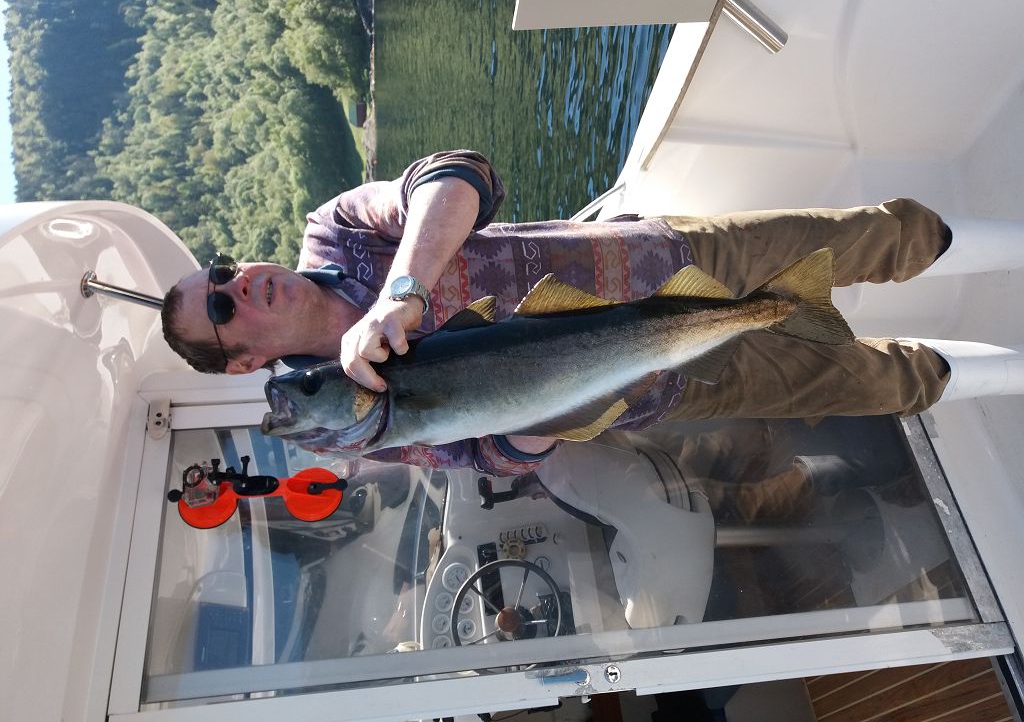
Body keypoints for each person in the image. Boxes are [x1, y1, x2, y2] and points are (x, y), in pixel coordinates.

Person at [161, 150, 1024, 475]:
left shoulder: (337, 230)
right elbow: (491, 456)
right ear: (243, 363)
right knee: (875, 383)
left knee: (870, 237)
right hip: (666, 382)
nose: (243, 282)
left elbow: (458, 175)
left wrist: (402, 289)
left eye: (224, 270)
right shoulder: (354, 430)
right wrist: (545, 408)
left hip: (667, 258)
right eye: (224, 306)